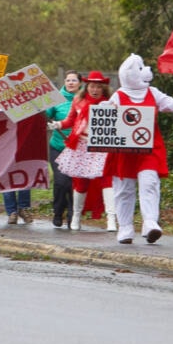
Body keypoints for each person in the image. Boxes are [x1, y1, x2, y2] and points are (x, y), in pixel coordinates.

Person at [105, 54, 173, 244]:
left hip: (148, 149)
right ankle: (125, 227)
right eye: (140, 69)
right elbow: (107, 117)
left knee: (149, 183)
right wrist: (106, 109)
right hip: (124, 152)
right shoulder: (118, 95)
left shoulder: (153, 92)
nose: (147, 71)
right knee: (123, 189)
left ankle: (150, 222)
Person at [52, 71, 114, 231]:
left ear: (103, 88)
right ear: (87, 86)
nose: (95, 90)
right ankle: (76, 217)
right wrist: (58, 124)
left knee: (107, 181)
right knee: (80, 182)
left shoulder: (111, 102)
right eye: (92, 86)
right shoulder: (78, 101)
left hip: (103, 146)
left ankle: (111, 219)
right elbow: (70, 120)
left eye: (98, 87)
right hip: (82, 146)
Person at [45, 70, 81, 227]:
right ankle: (58, 210)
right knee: (61, 182)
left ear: (80, 83)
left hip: (78, 149)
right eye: (68, 80)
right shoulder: (56, 98)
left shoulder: (84, 100)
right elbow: (46, 113)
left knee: (74, 182)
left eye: (74, 80)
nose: (70, 83)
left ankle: (73, 215)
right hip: (58, 147)